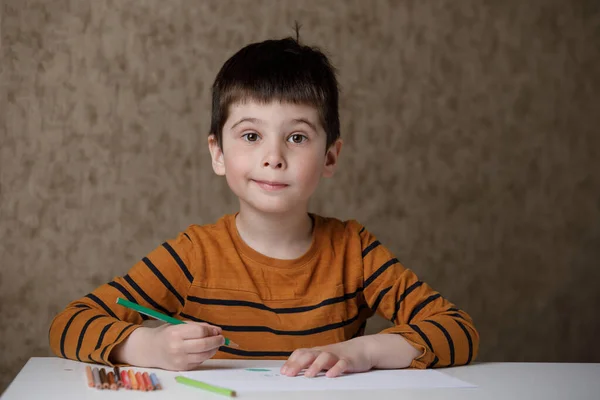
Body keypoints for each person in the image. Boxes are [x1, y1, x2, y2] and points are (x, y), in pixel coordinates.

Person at [49, 35, 479, 378]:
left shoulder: (354, 251)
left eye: (297, 137)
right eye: (251, 136)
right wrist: (150, 347)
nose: (273, 156)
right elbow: (68, 324)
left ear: (330, 157)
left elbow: (458, 331)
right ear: (218, 153)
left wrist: (362, 350)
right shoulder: (193, 255)